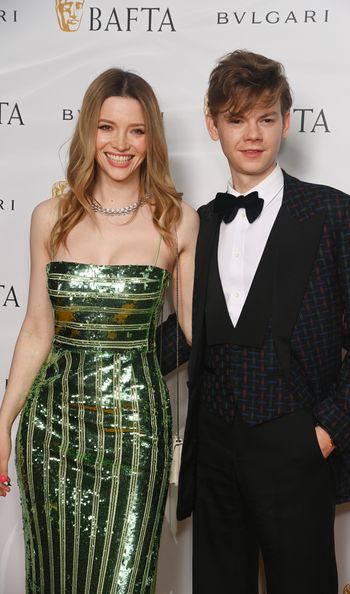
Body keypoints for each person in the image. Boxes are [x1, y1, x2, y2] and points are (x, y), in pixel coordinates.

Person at [176, 50, 350, 594]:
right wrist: (94, 353)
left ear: (286, 122)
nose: (252, 134)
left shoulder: (337, 215)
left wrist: (322, 434)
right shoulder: (198, 225)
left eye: (265, 118)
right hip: (215, 453)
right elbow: (190, 333)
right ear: (212, 124)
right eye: (236, 119)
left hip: (296, 447)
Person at [0, 68, 198, 593]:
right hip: (52, 427)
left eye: (136, 130)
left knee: (124, 578)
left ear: (151, 138)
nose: (120, 144)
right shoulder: (51, 217)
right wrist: (3, 423)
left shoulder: (178, 222)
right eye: (107, 127)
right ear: (88, 131)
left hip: (136, 430)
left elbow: (200, 331)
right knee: (55, 575)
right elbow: (38, 329)